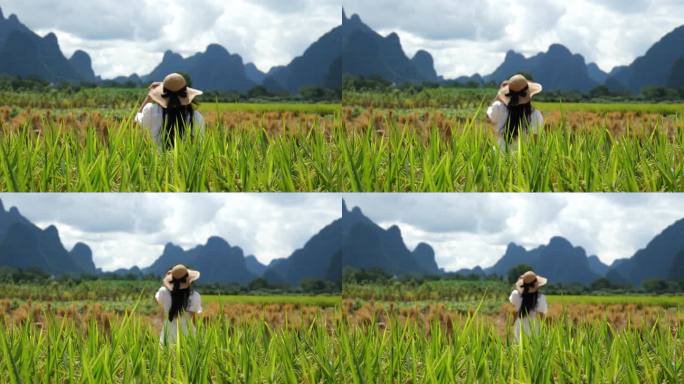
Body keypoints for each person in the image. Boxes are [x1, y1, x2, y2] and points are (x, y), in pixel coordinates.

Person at [135, 73, 205, 148]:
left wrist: (150, 96)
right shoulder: (196, 117)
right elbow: (199, 146)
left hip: (155, 159)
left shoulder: (151, 111)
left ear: (162, 94)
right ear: (186, 94)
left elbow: (135, 122)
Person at [486, 74, 544, 149]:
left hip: (498, 156)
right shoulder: (535, 114)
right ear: (528, 93)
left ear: (508, 94)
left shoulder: (498, 107)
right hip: (522, 158)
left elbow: (488, 118)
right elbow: (535, 143)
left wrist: (499, 96)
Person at [155, 264, 202, 345]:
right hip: (188, 334)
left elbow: (157, 300)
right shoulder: (194, 296)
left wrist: (167, 283)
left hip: (169, 334)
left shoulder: (163, 292)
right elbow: (193, 319)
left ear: (172, 280)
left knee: (167, 356)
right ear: (189, 280)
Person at [509, 270, 548, 341]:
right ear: (536, 285)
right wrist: (544, 330)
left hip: (519, 325)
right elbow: (542, 316)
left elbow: (514, 309)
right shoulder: (540, 298)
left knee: (518, 347)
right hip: (533, 327)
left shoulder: (515, 295)